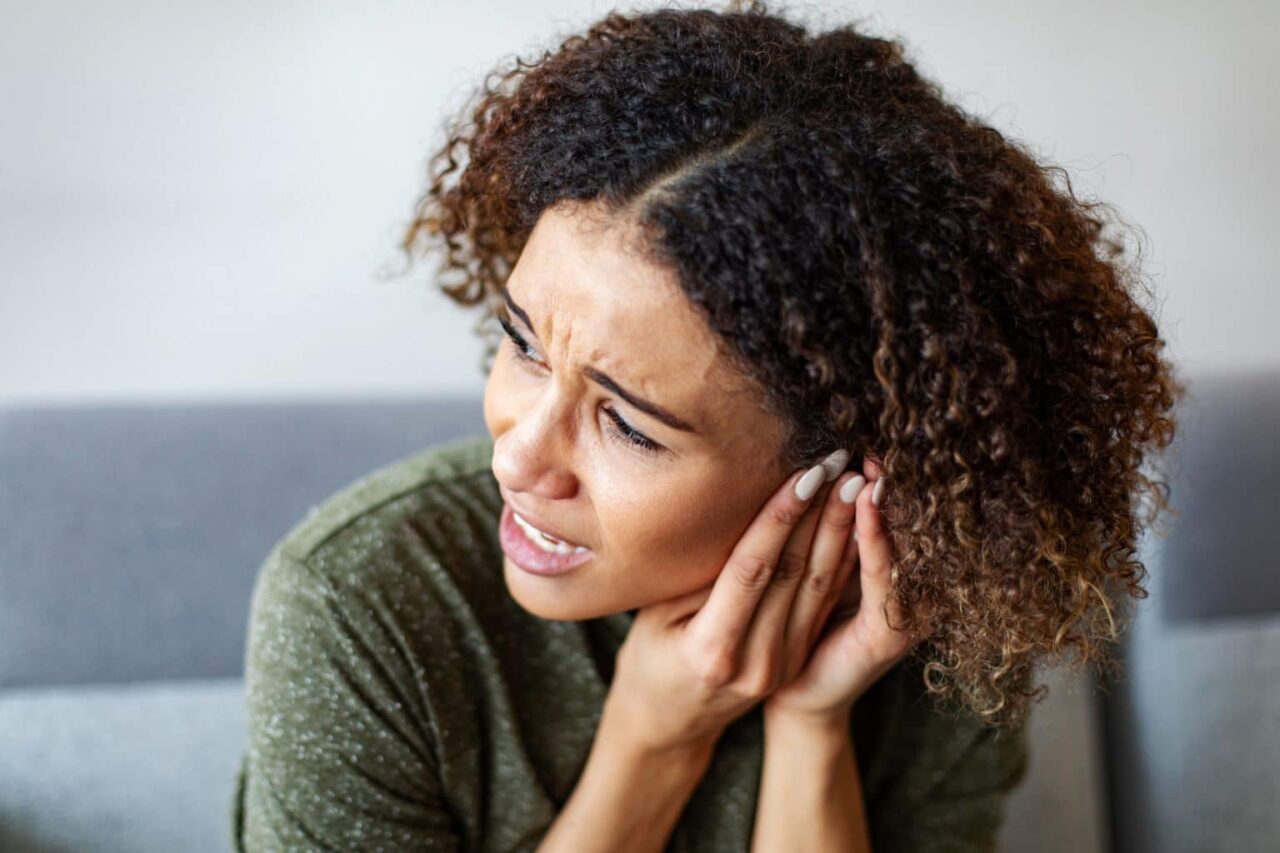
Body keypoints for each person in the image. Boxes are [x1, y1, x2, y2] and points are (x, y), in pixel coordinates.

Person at [231, 1, 1183, 850]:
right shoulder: (361, 605)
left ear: (843, 468)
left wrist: (813, 727)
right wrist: (654, 737)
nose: (517, 455)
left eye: (629, 427)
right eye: (524, 345)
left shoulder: (932, 626)